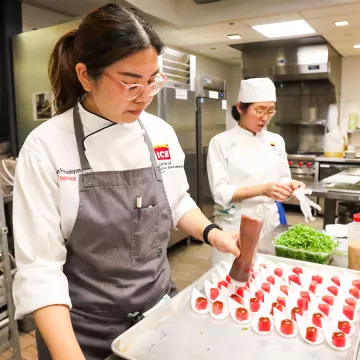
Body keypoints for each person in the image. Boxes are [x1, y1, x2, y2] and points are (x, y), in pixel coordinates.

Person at [12, 4, 240, 360]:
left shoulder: (159, 132)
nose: (146, 95)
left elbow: (176, 200)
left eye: (153, 80)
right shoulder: (46, 147)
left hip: (158, 312)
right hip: (81, 333)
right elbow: (40, 268)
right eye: (131, 83)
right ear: (86, 76)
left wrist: (213, 233)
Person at [207, 77, 305, 266]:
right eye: (259, 110)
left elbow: (284, 179)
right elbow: (220, 192)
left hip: (270, 223)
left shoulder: (276, 140)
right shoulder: (221, 142)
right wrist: (262, 190)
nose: (265, 117)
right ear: (240, 108)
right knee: (231, 279)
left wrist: (292, 186)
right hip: (235, 224)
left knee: (267, 276)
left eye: (270, 111)